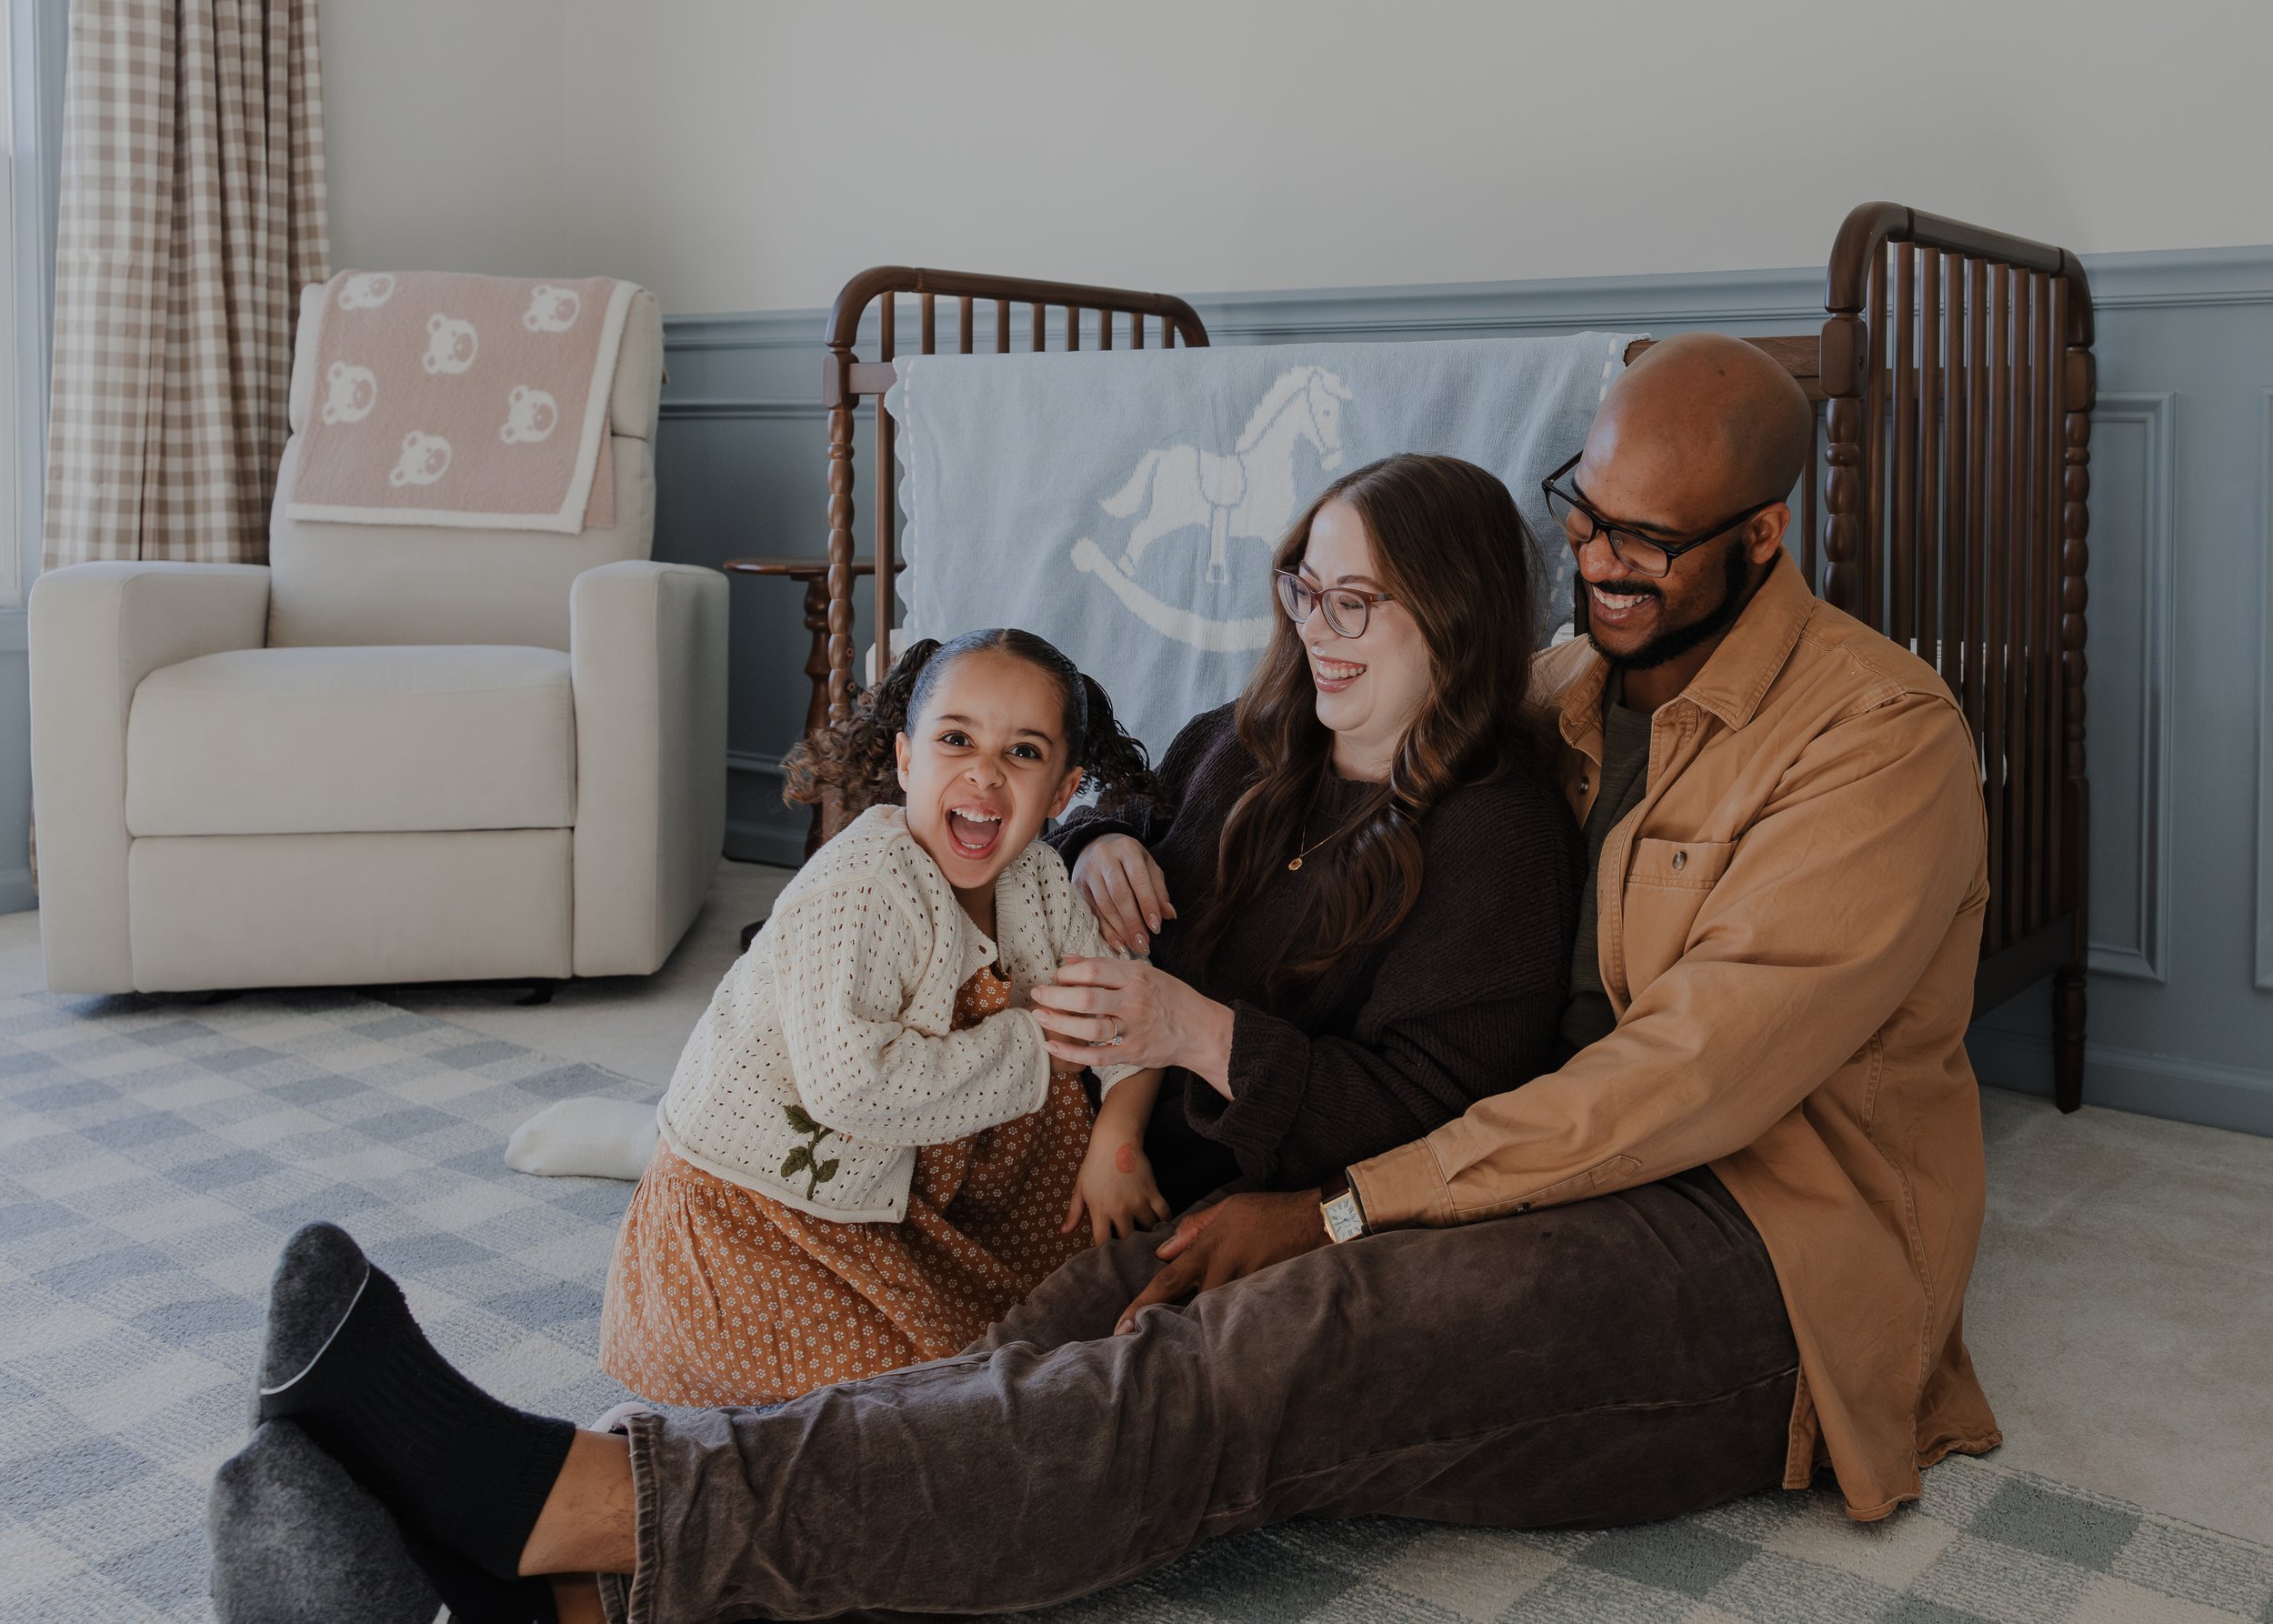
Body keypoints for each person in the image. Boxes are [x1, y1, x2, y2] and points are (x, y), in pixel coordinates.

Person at [216, 336, 2000, 1624]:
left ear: (1761, 537)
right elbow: (1282, 751)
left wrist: (1342, 1209)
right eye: (1583, 519)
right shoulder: (1564, 686)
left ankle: (540, 1496)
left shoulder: (1874, 741)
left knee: (1255, 1353)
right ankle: (545, 1594)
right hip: (1489, 1174)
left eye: (1648, 544)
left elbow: (1670, 1086)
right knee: (1069, 1327)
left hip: (1750, 1252)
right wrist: (1101, 834)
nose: (1601, 567)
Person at [601, 627, 1169, 1409]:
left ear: (1064, 793)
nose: (985, 772)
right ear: (908, 760)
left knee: (1079, 1323)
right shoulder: (864, 885)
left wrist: (1118, 1138)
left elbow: (1127, 1006)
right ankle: (663, 1440)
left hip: (918, 1192)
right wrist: (1039, 1045)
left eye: (1024, 753)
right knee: (922, 1407)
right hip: (772, 1214)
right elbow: (849, 1089)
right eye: (956, 739)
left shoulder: (1039, 877)